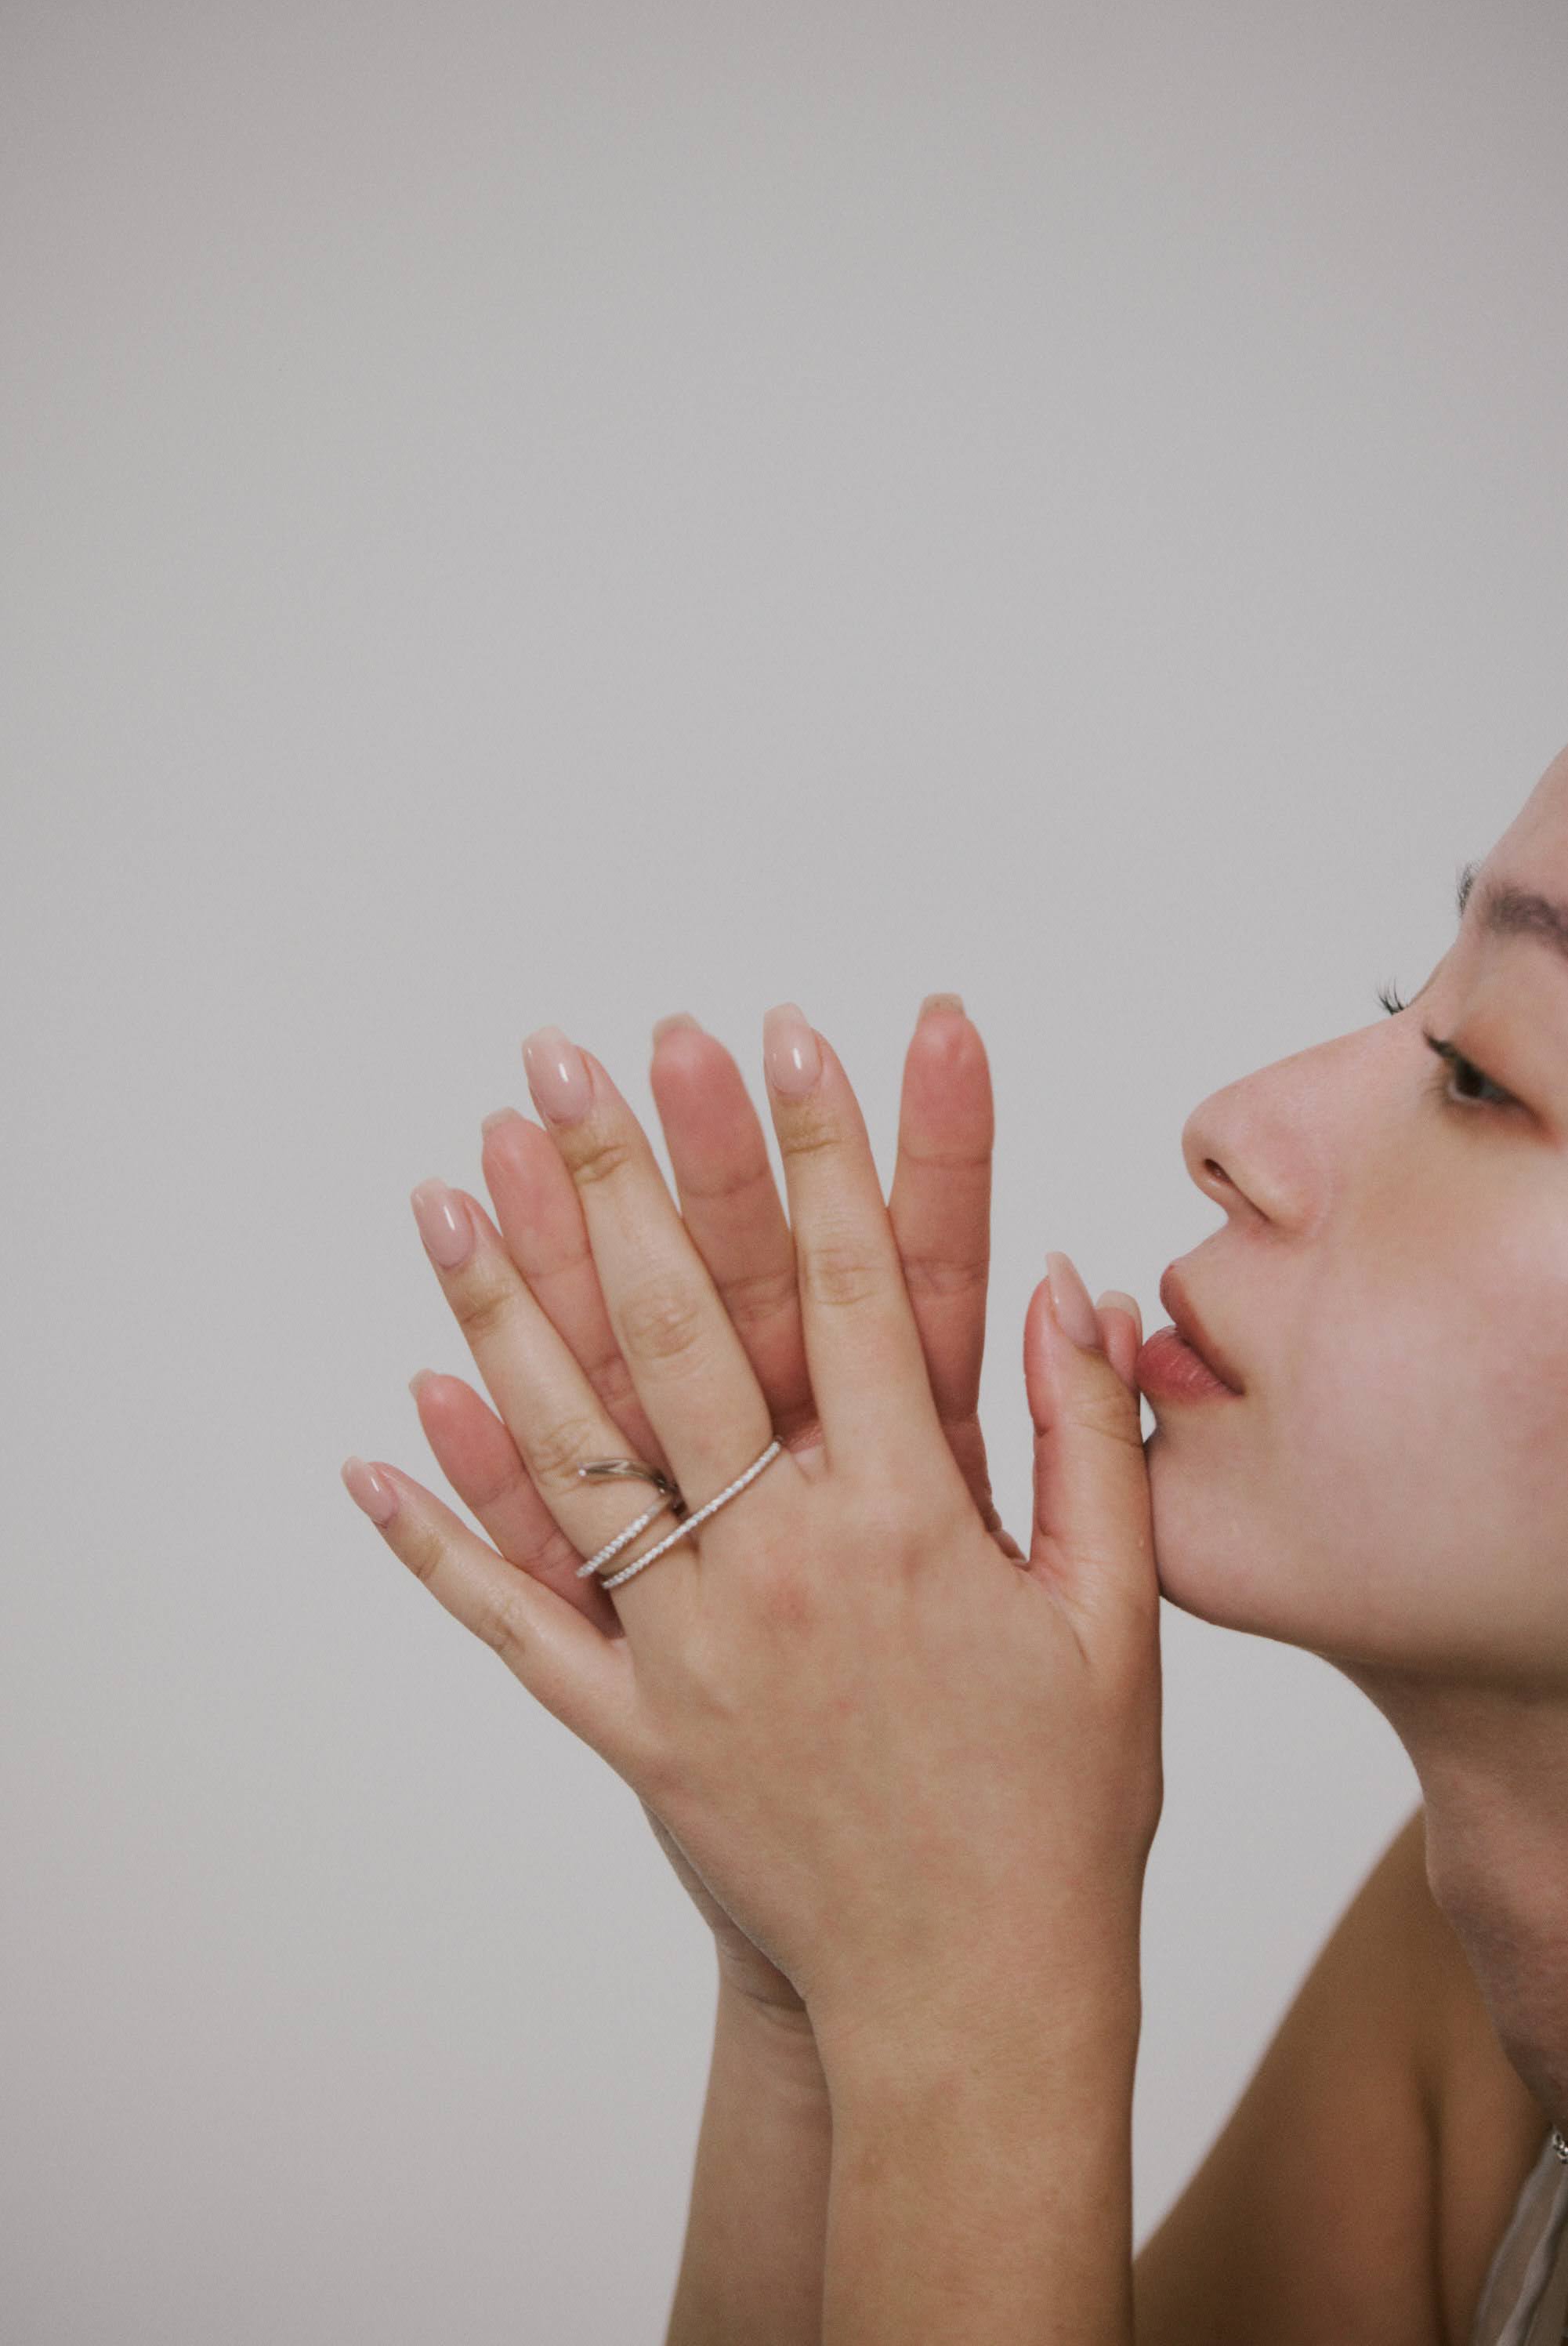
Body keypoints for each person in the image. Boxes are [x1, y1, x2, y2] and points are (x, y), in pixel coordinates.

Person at [341, 740, 1568, 2344]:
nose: (1231, 1124)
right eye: (1406, 992)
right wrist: (815, 1963)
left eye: (1481, 1074)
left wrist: (961, 2002)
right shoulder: (1467, 2002)